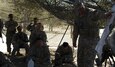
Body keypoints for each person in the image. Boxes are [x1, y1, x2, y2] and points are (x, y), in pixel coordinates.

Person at [72, 3, 109, 67]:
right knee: (80, 60)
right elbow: (75, 31)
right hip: (82, 40)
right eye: (78, 10)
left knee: (88, 61)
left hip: (92, 41)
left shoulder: (91, 13)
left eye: (81, 8)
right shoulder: (77, 17)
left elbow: (100, 14)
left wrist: (106, 15)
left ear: (83, 7)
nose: (80, 11)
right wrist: (74, 41)